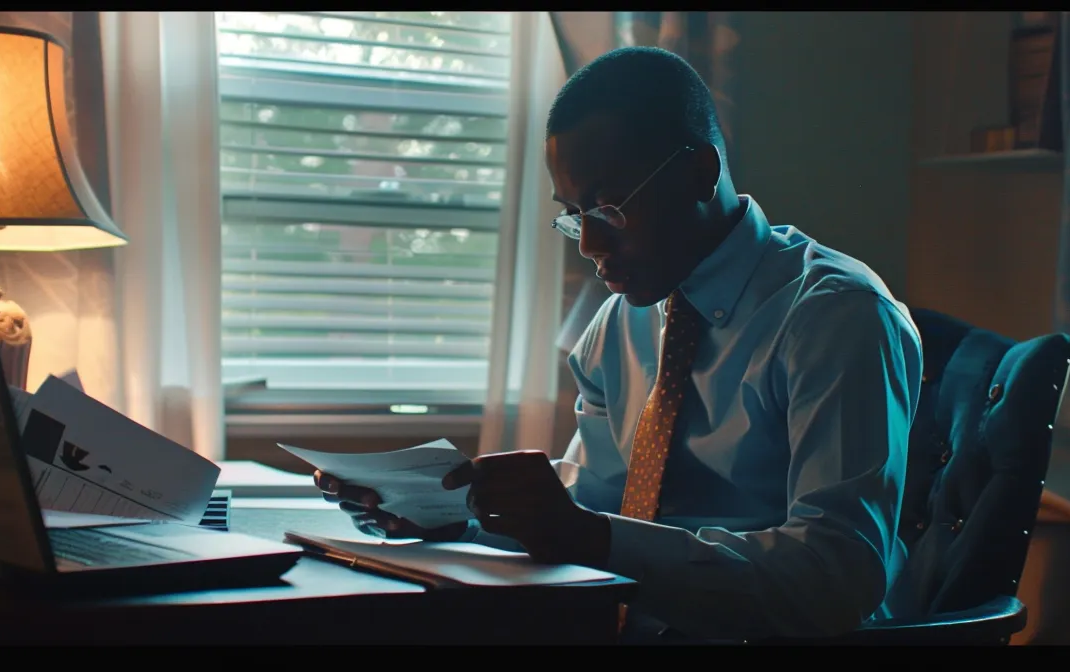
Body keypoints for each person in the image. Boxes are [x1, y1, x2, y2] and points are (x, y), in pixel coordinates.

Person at [315, 46, 923, 642]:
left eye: (609, 207)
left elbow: (835, 579)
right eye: (575, 214)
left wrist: (590, 537)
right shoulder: (619, 325)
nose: (589, 246)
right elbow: (597, 507)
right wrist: (449, 520)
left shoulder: (834, 318)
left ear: (698, 175)